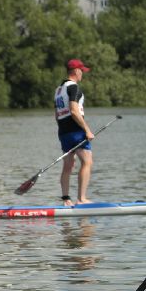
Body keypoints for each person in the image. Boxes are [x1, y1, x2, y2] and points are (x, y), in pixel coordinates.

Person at [54, 58, 95, 204]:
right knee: (87, 161)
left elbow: (57, 115)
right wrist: (87, 130)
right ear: (76, 71)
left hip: (63, 132)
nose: (82, 74)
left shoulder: (58, 90)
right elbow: (74, 111)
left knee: (68, 165)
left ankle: (66, 199)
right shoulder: (74, 88)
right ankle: (81, 199)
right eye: (82, 71)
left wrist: (65, 132)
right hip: (76, 131)